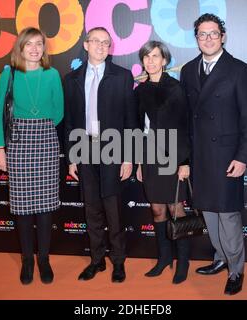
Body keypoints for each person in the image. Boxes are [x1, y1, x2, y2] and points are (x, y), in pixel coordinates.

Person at [180, 13, 247, 295]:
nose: (208, 38)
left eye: (213, 33)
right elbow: (186, 119)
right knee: (208, 213)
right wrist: (185, 159)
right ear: (197, 39)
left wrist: (243, 157)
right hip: (200, 155)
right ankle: (220, 258)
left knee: (227, 215)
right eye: (202, 34)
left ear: (223, 36)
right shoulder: (188, 70)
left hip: (227, 157)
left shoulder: (239, 70)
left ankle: (236, 270)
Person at [63, 27, 138, 283]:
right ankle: (97, 261)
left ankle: (118, 262)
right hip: (84, 149)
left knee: (113, 210)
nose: (101, 46)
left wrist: (128, 157)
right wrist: (72, 157)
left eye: (106, 43)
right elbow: (70, 121)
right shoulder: (71, 78)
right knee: (92, 209)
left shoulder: (123, 76)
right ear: (85, 45)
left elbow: (131, 120)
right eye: (96, 41)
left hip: (113, 149)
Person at [0, 27, 64, 285]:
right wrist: (1, 148)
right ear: (20, 47)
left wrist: (40, 124)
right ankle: (26, 260)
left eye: (39, 44)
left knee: (45, 208)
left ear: (44, 48)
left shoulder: (53, 74)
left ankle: (43, 259)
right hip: (18, 142)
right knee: (22, 208)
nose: (34, 48)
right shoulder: (9, 74)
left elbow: (59, 112)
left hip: (45, 141)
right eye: (29, 44)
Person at [134, 41, 191, 284]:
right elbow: (138, 128)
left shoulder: (176, 88)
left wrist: (185, 161)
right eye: (147, 57)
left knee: (175, 209)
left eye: (155, 56)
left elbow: (185, 126)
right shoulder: (139, 90)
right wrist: (138, 162)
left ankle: (183, 262)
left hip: (173, 154)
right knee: (157, 209)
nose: (151, 61)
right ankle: (164, 258)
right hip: (148, 154)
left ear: (164, 60)